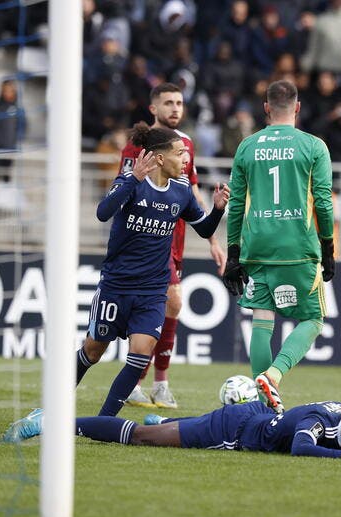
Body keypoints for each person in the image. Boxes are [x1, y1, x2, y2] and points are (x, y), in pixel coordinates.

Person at [74, 127, 229, 417]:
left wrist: (217, 210)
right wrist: (132, 179)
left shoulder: (181, 190)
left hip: (152, 290)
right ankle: (55, 404)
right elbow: (102, 213)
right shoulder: (131, 182)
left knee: (140, 354)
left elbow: (204, 228)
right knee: (93, 351)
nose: (186, 159)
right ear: (159, 158)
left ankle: (104, 421)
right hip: (116, 286)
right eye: (179, 153)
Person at [222, 79, 334, 414]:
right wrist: (328, 248)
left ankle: (262, 408)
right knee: (313, 319)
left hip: (257, 246)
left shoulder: (247, 146)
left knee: (261, 318)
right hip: (298, 245)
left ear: (266, 108)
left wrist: (232, 254)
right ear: (297, 107)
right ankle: (274, 374)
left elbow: (237, 204)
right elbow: (324, 203)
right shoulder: (313, 146)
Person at [120, 82, 227, 410]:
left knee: (168, 305)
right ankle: (150, 382)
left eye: (179, 102)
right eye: (168, 103)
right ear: (153, 108)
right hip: (148, 238)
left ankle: (149, 383)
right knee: (171, 302)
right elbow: (123, 191)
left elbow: (191, 190)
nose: (175, 108)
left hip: (175, 238)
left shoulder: (186, 144)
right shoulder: (138, 145)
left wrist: (212, 239)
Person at [3, 400, 341, 461]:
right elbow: (301, 450)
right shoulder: (318, 426)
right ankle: (51, 422)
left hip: (256, 414)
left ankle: (170, 423)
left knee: (158, 429)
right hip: (234, 429)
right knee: (140, 436)